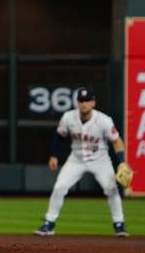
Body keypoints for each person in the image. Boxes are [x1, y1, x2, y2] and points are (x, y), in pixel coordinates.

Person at [34, 88, 130, 237]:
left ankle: (119, 224)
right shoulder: (68, 117)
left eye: (87, 101)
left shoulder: (104, 120)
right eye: (81, 101)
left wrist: (122, 163)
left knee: (111, 188)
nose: (84, 103)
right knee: (60, 187)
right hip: (76, 159)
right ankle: (49, 223)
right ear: (77, 103)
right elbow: (59, 136)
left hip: (100, 159)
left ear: (93, 103)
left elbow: (117, 141)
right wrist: (54, 155)